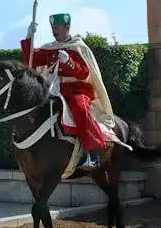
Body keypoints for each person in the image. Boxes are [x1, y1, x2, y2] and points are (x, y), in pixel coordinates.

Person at [20, 13, 112, 169]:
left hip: (76, 90)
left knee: (80, 108)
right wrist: (29, 38)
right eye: (52, 27)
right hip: (54, 91)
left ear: (67, 27)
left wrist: (68, 62)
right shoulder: (51, 49)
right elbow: (31, 60)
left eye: (56, 27)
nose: (53, 30)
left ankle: (93, 153)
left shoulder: (78, 47)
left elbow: (84, 73)